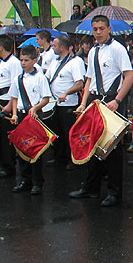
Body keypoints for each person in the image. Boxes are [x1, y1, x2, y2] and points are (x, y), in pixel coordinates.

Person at [69, 15, 133, 207]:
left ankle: (115, 192)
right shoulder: (93, 51)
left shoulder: (117, 49)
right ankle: (91, 187)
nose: (97, 32)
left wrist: (117, 100)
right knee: (93, 145)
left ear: (109, 29)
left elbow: (128, 77)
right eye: (95, 29)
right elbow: (89, 79)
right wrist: (83, 102)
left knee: (112, 149)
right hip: (95, 101)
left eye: (101, 28)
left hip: (112, 101)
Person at [8, 45, 52, 196]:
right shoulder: (17, 79)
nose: (23, 63)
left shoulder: (40, 78)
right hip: (21, 115)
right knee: (21, 148)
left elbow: (46, 98)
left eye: (26, 60)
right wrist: (14, 113)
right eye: (21, 60)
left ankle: (37, 182)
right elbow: (14, 98)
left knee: (34, 149)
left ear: (35, 60)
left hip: (34, 116)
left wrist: (35, 108)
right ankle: (24, 180)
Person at [45, 35, 85, 170]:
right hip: (55, 103)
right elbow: (47, 78)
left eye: (54, 45)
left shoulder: (76, 62)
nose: (52, 48)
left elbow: (79, 83)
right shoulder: (55, 61)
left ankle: (72, 158)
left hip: (68, 104)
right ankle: (59, 156)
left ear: (62, 47)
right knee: (57, 131)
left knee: (69, 132)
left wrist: (66, 93)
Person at [0, 35, 23, 180]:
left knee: (6, 136)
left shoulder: (14, 63)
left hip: (6, 102)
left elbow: (15, 85)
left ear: (1, 47)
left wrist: (9, 105)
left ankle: (9, 166)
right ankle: (3, 163)